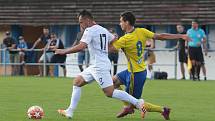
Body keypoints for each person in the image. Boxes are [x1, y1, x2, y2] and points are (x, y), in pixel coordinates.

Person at [56, 10, 147, 119]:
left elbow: (81, 46)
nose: (80, 24)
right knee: (77, 82)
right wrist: (109, 42)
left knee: (110, 93)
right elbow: (114, 38)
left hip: (99, 66)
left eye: (81, 22)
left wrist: (63, 51)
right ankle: (70, 111)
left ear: (88, 20)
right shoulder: (102, 29)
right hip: (96, 65)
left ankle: (138, 103)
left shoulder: (89, 31)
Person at [108, 11, 190, 119]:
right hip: (134, 71)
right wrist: (180, 35)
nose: (120, 24)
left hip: (135, 75)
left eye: (121, 21)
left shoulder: (125, 39)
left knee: (135, 103)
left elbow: (110, 49)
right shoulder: (141, 31)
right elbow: (161, 36)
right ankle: (127, 106)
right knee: (113, 82)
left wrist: (110, 39)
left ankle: (162, 110)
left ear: (127, 22)